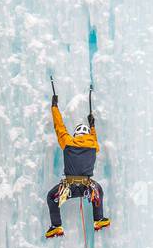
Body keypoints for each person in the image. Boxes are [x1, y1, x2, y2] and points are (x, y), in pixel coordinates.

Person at [45, 91, 110, 238]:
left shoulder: (68, 142)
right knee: (98, 190)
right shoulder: (94, 145)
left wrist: (54, 106)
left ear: (76, 135)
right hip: (87, 187)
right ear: (87, 135)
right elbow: (93, 139)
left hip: (69, 188)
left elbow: (59, 127)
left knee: (51, 197)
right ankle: (98, 219)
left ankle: (56, 226)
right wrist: (92, 125)